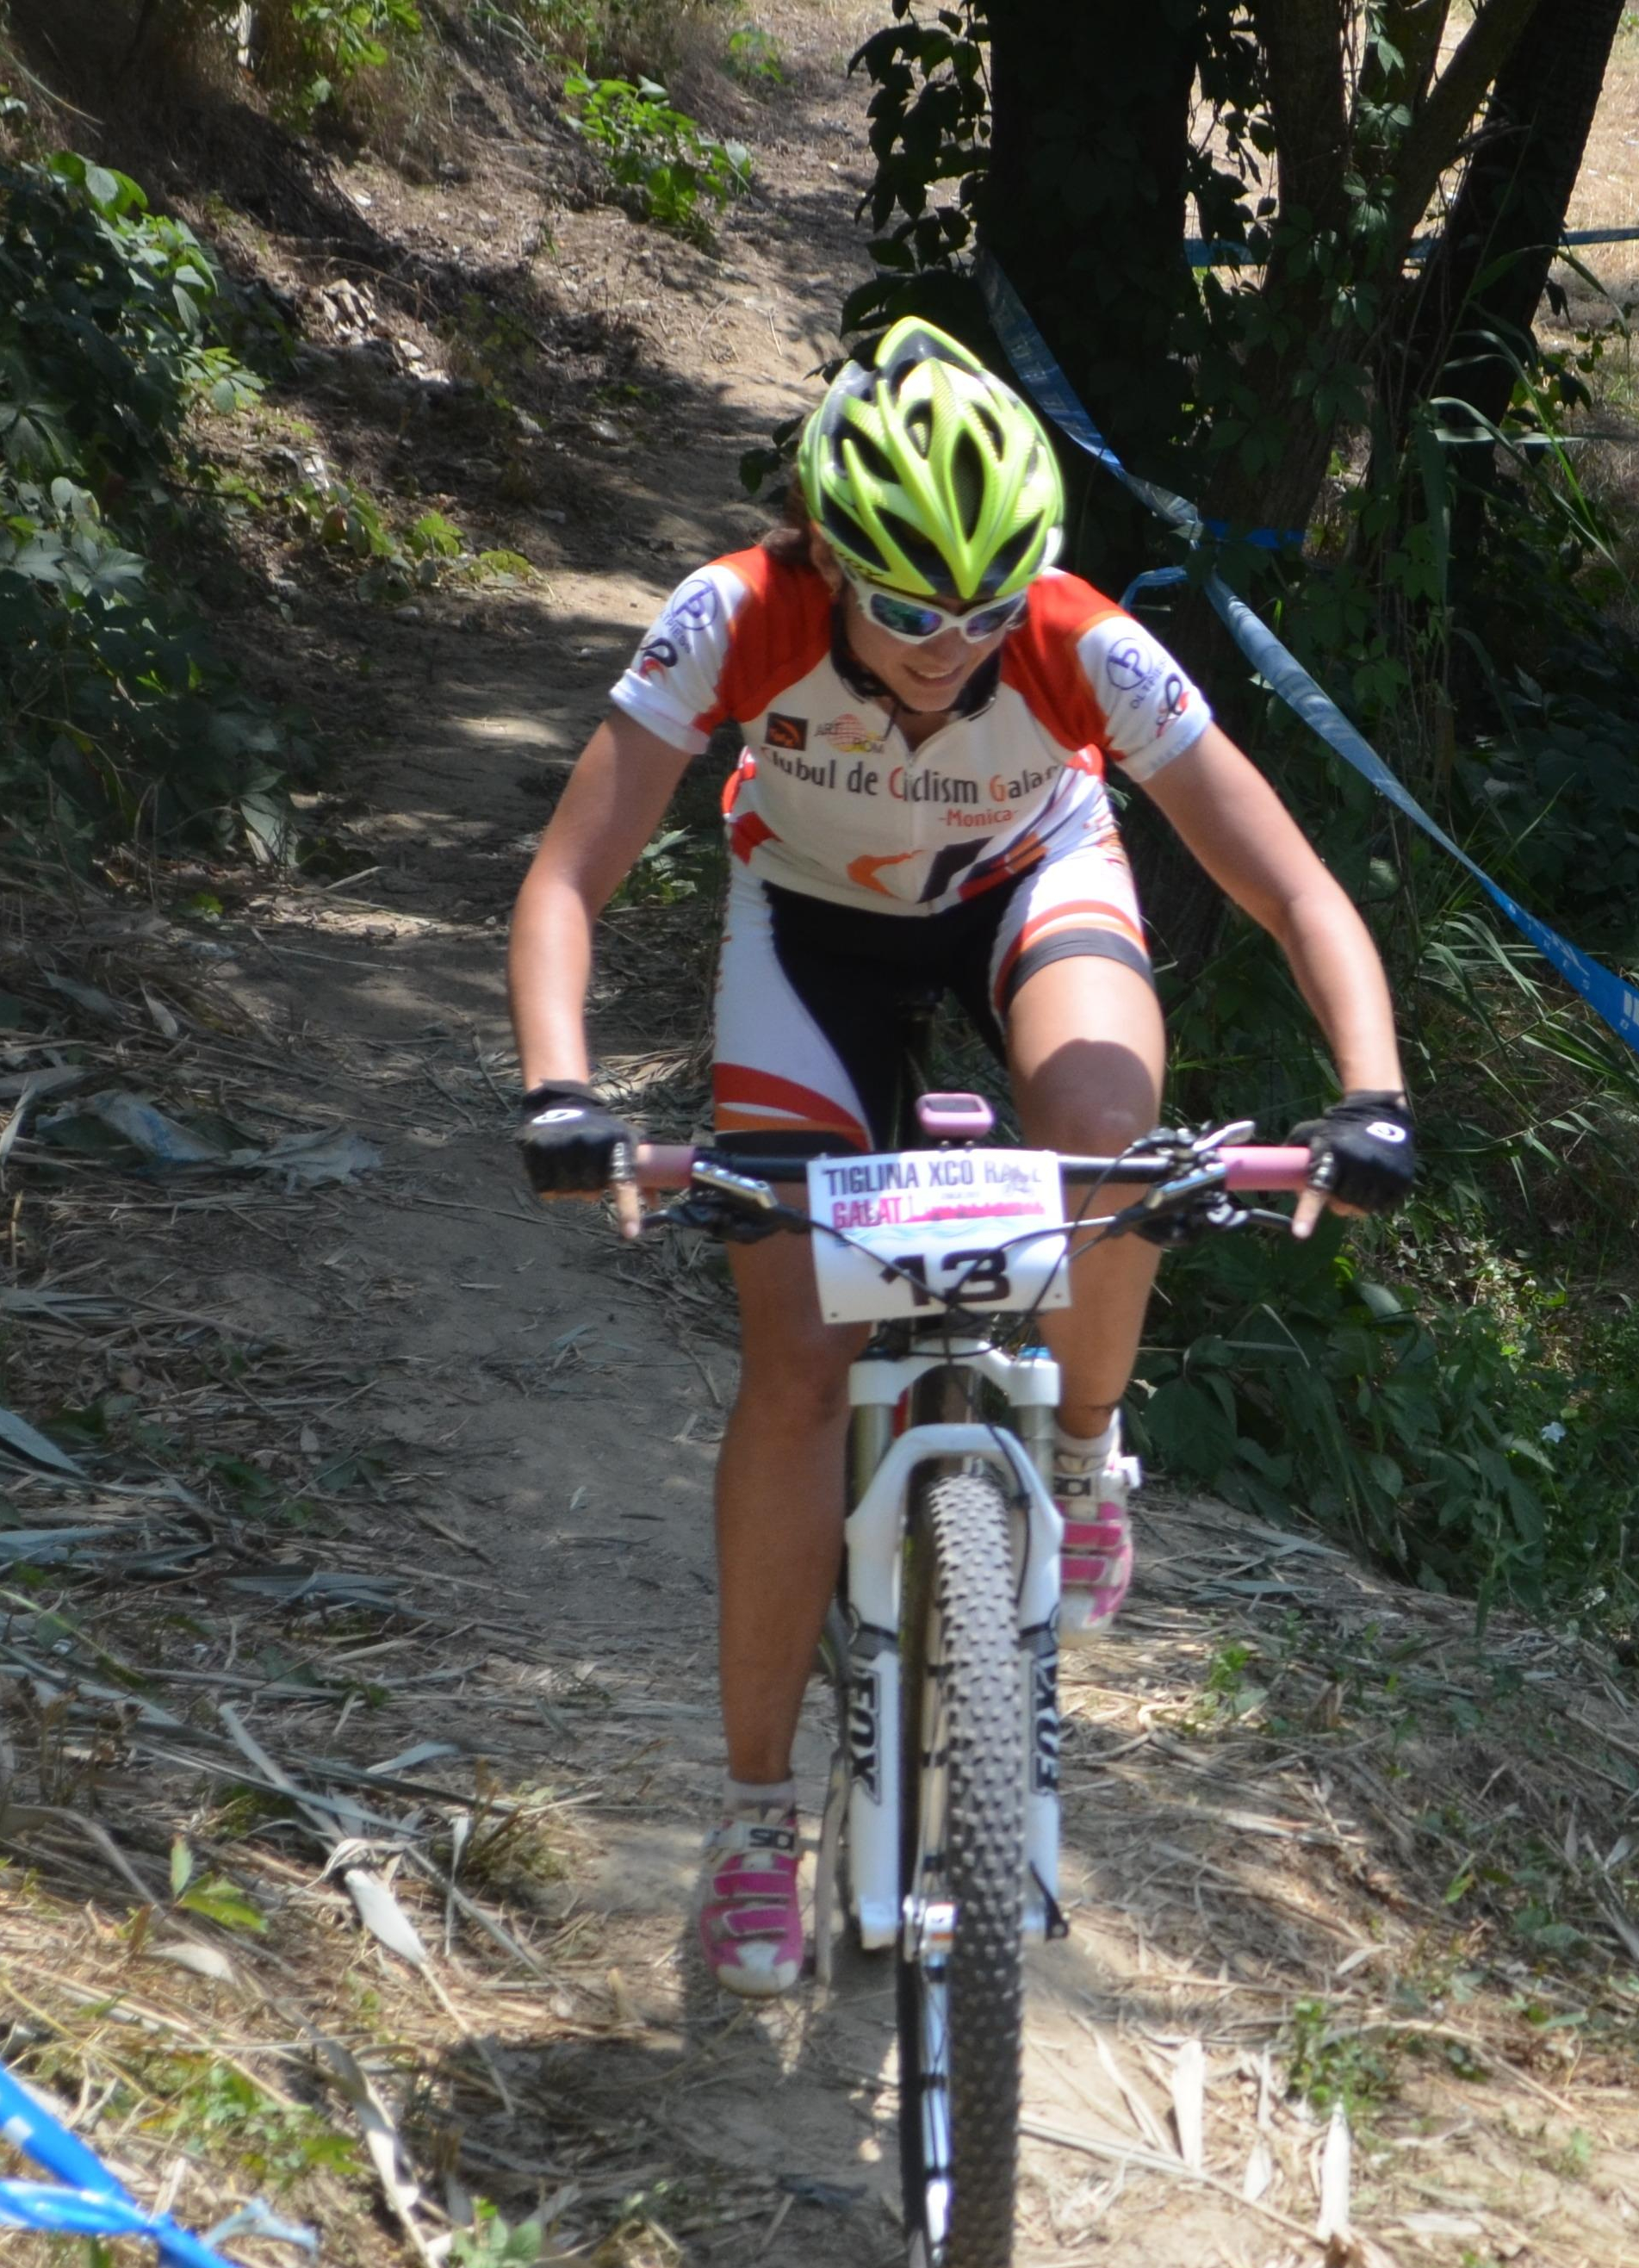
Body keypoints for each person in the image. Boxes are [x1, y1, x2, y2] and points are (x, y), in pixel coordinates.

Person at [502, 318, 1417, 1999]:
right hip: (815, 934)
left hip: (1028, 889)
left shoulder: (1082, 644)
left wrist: (1371, 1096)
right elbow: (568, 881)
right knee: (794, 1368)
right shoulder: (735, 617)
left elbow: (1294, 889)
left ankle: (1079, 1448)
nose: (948, 648)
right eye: (909, 612)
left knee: (1111, 1146)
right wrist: (562, 1094)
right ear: (830, 560)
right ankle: (761, 1816)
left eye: (985, 614)